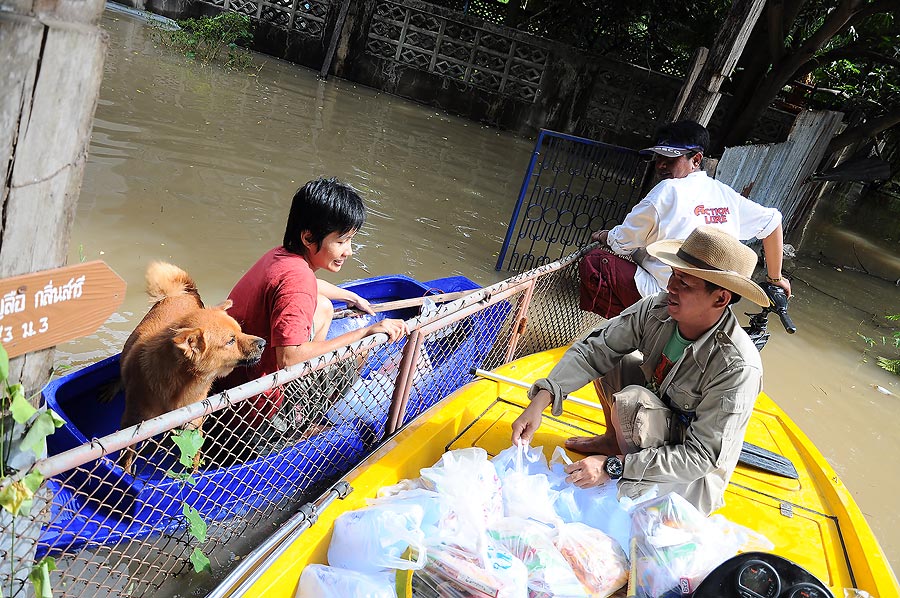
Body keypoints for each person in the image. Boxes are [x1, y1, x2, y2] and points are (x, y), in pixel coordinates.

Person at [513, 226, 768, 515]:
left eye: (685, 283)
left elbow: (700, 458)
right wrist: (543, 398)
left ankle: (626, 471)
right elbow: (596, 348)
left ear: (720, 299)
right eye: (674, 275)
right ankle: (613, 440)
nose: (671, 287)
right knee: (616, 362)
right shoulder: (658, 309)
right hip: (658, 421)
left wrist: (614, 467)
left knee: (634, 400)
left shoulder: (736, 367)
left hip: (686, 479)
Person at [223, 177, 408, 425]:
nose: (348, 251)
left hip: (233, 384)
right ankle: (297, 421)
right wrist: (366, 333)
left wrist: (351, 296)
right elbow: (289, 357)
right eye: (341, 241)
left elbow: (305, 287)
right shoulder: (298, 279)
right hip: (258, 407)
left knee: (323, 305)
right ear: (308, 238)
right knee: (361, 350)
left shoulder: (281, 257)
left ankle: (303, 394)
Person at [580, 120, 791, 319]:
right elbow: (773, 223)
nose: (661, 165)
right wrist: (776, 278)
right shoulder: (724, 193)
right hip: (713, 305)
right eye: (658, 158)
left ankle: (636, 326)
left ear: (696, 160)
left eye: (670, 159)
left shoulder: (667, 190)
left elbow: (622, 244)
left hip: (667, 294)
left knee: (596, 262)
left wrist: (606, 235)